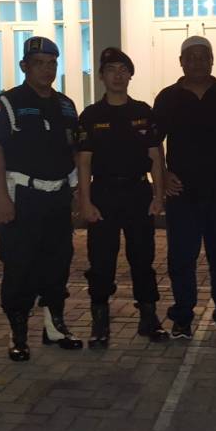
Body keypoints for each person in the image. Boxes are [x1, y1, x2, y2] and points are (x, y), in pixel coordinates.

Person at [0, 36, 83, 361]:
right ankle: (18, 334)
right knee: (20, 266)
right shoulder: (7, 103)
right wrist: (1, 198)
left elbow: (73, 152)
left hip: (57, 196)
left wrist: (76, 192)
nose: (46, 69)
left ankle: (54, 326)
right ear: (24, 66)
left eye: (52, 63)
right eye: (39, 63)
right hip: (22, 196)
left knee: (58, 262)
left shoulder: (66, 105)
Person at [153, 36, 216, 339]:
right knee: (181, 258)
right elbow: (155, 143)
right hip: (182, 193)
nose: (197, 62)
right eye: (190, 57)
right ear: (181, 62)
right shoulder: (167, 97)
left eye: (203, 56)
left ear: (212, 60)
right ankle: (182, 316)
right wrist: (163, 174)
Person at [77, 47, 169, 348]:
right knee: (101, 260)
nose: (118, 75)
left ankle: (148, 317)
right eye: (111, 69)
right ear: (101, 76)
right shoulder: (91, 115)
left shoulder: (143, 112)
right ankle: (100, 322)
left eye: (123, 70)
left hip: (137, 193)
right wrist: (85, 202)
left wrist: (158, 195)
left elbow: (155, 156)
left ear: (130, 75)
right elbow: (84, 162)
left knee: (143, 257)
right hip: (103, 194)